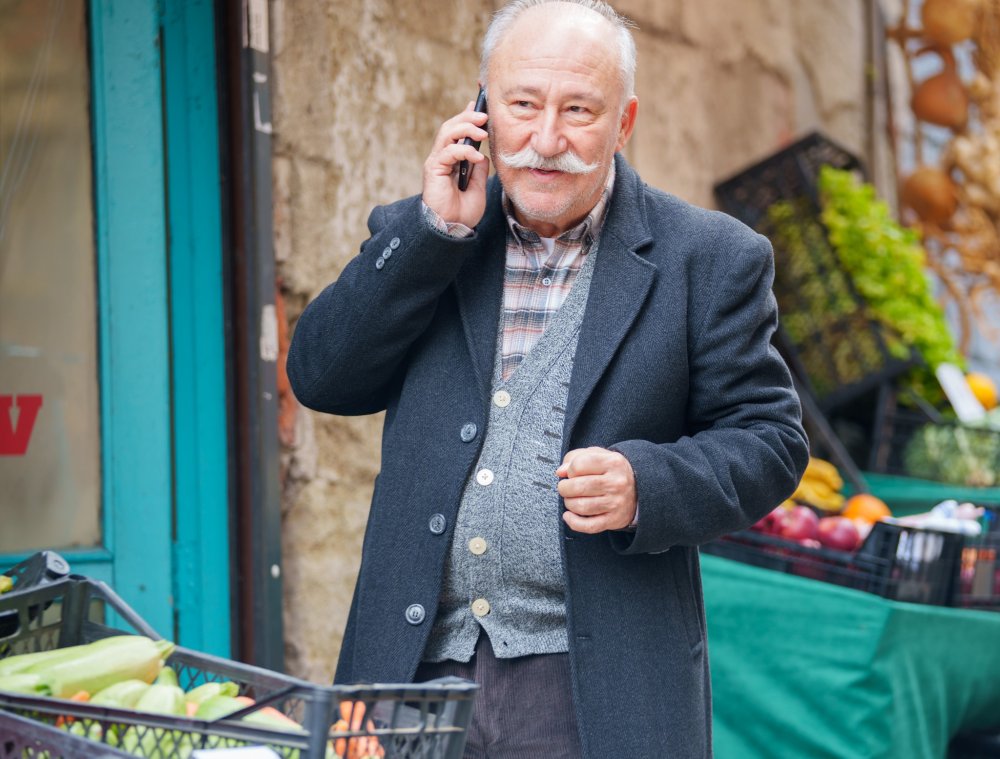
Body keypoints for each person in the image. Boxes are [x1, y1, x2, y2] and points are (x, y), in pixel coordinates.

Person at [287, 1, 809, 756]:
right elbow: (322, 376)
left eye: (580, 110)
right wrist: (434, 236)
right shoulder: (433, 233)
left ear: (623, 123)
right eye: (522, 105)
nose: (546, 139)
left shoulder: (711, 258)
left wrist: (648, 482)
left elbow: (771, 440)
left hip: (593, 680)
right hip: (412, 671)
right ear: (482, 109)